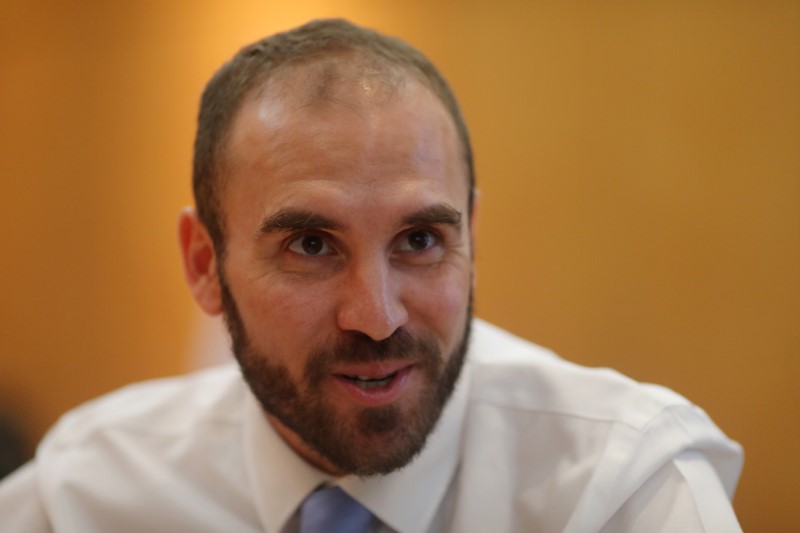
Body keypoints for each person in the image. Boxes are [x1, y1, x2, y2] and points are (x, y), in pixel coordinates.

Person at [0, 18, 743, 532]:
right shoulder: (85, 495)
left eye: (419, 239)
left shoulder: (620, 493)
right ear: (204, 264)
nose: (377, 315)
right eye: (311, 246)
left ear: (470, 240)